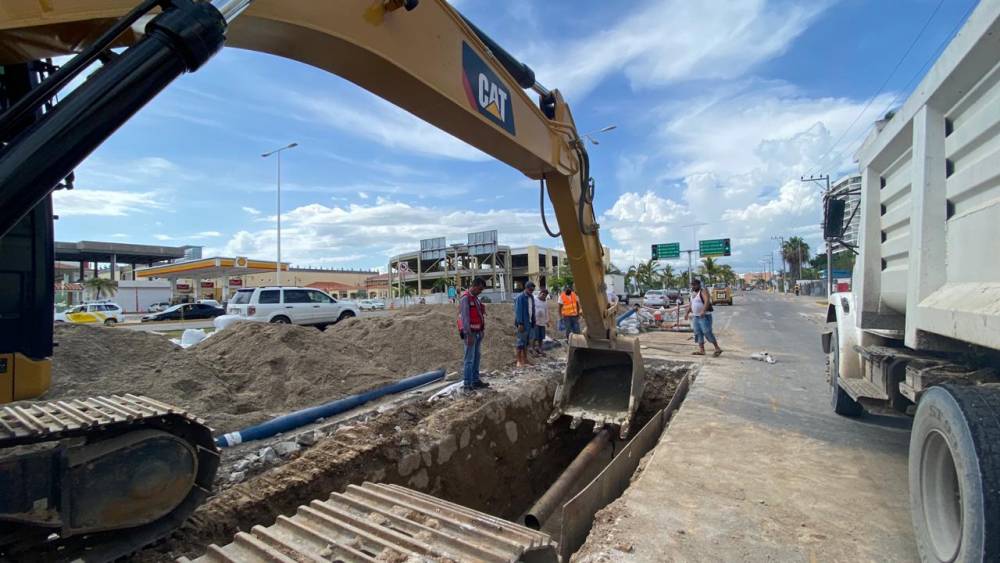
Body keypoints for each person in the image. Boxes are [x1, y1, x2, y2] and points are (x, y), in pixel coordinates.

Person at [458, 278, 489, 390]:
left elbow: (479, 315)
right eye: (480, 289)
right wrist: (468, 334)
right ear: (474, 286)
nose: (481, 291)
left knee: (476, 358)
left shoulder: (475, 298)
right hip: (470, 334)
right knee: (469, 360)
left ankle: (475, 381)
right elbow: (465, 318)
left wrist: (481, 331)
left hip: (478, 333)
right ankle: (467, 384)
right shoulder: (465, 298)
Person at [685, 278, 723, 357]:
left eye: (694, 285)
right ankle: (702, 350)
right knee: (698, 333)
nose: (693, 286)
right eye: (692, 285)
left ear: (698, 285)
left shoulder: (703, 291)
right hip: (696, 316)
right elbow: (691, 304)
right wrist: (687, 313)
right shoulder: (693, 294)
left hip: (704, 316)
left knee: (707, 332)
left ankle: (717, 348)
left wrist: (703, 311)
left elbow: (707, 301)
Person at [514, 281, 537, 367]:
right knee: (520, 342)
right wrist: (520, 323)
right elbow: (518, 311)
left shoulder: (531, 297)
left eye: (532, 290)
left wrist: (533, 321)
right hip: (523, 323)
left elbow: (532, 310)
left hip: (530, 323)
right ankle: (519, 361)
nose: (531, 291)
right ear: (526, 288)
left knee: (526, 343)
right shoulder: (520, 297)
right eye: (530, 290)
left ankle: (525, 359)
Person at [532, 287, 550, 355]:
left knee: (541, 337)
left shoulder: (545, 302)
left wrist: (547, 321)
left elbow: (546, 312)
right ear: (540, 293)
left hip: (542, 322)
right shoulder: (534, 299)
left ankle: (540, 349)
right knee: (535, 336)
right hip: (535, 321)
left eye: (545, 295)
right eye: (543, 295)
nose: (544, 297)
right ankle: (533, 349)